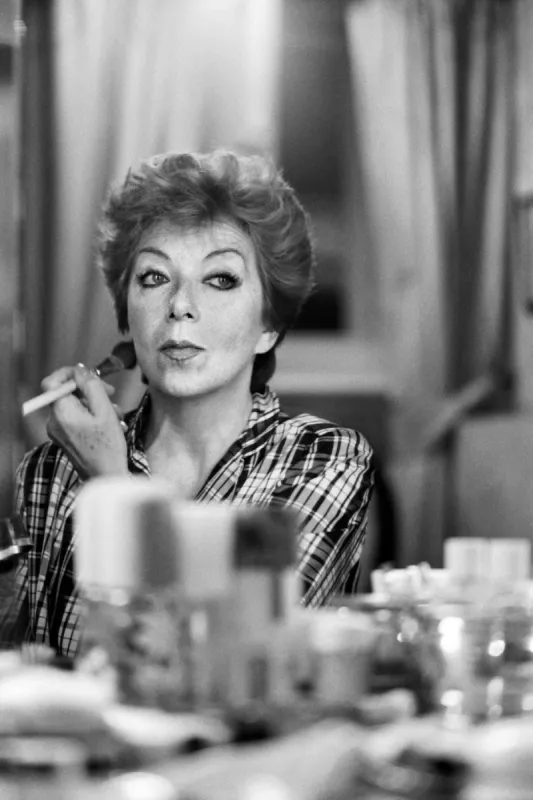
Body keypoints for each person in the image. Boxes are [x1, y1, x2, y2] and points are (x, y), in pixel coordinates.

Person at [11, 150, 374, 658]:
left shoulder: (324, 460)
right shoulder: (50, 470)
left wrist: (111, 483)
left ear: (269, 326)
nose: (180, 305)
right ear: (127, 316)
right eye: (155, 277)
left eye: (220, 279)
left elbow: (233, 656)